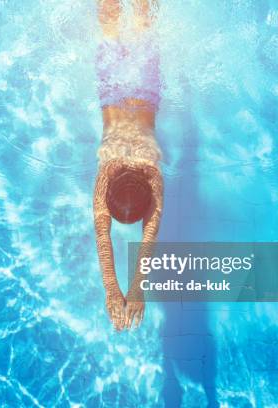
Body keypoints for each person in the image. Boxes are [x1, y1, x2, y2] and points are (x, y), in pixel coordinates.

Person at [94, 0, 163, 330]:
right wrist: (114, 289)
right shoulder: (107, 165)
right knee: (109, 26)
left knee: (143, 23)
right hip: (111, 92)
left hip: (146, 92)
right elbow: (103, 235)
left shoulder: (152, 168)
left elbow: (150, 231)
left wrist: (134, 288)